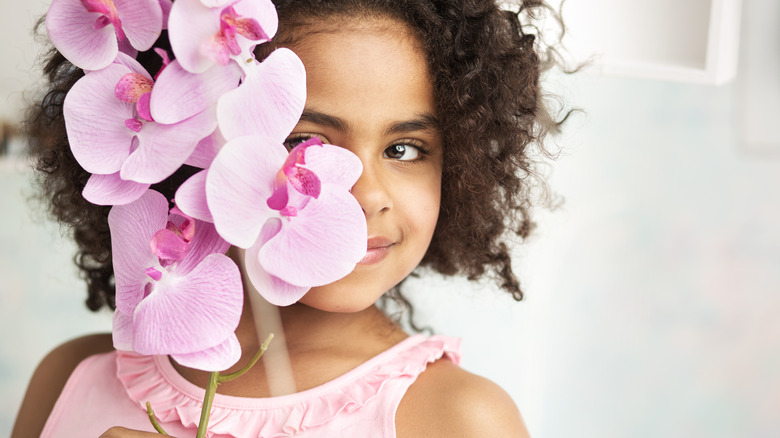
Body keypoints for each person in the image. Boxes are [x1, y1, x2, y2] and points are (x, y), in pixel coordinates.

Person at [13, 0, 565, 436]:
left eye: (405, 149)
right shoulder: (68, 379)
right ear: (188, 137)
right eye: (305, 141)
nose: (367, 195)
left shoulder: (459, 420)